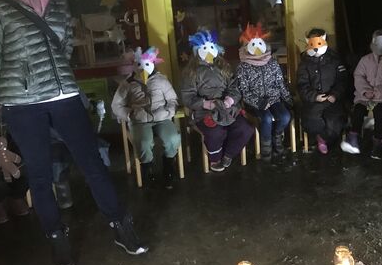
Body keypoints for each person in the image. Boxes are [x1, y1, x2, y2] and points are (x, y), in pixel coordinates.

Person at [0, 0, 148, 265]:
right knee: (40, 173)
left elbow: (62, 42)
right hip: (22, 100)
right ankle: (56, 237)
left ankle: (120, 223)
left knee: (92, 162)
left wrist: (60, 74)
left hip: (63, 92)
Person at [181, 29, 254, 172]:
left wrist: (230, 100)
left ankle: (228, 155)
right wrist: (205, 104)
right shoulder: (191, 72)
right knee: (216, 132)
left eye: (211, 47)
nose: (208, 51)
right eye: (204, 48)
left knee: (245, 128)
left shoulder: (224, 67)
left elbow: (234, 87)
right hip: (205, 111)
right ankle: (215, 158)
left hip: (227, 108)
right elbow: (188, 96)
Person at [112, 46, 180, 188]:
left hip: (161, 117)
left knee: (172, 138)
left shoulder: (161, 80)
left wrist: (168, 112)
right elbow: (116, 105)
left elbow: (172, 100)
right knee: (144, 142)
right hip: (140, 121)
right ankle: (147, 170)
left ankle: (169, 167)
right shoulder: (128, 84)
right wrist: (130, 114)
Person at [341, 30, 382, 159]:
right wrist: (365, 90)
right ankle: (353, 139)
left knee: (380, 112)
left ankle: (378, 143)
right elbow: (358, 75)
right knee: (358, 110)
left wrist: (379, 91)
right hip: (364, 96)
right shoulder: (365, 60)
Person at [234, 23, 293, 162]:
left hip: (274, 99)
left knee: (285, 116)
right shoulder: (243, 67)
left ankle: (277, 137)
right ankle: (266, 146)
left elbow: (280, 84)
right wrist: (258, 102)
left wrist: (288, 99)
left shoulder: (272, 63)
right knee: (266, 118)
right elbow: (244, 91)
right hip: (255, 102)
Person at [297, 28, 348, 155]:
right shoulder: (304, 63)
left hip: (332, 101)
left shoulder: (335, 60)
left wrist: (335, 95)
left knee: (335, 121)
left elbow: (342, 80)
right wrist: (314, 96)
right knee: (312, 120)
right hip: (313, 102)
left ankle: (323, 139)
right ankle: (320, 139)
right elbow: (302, 84)